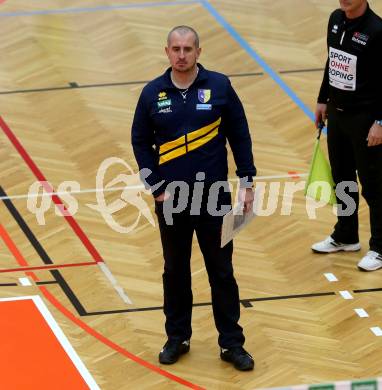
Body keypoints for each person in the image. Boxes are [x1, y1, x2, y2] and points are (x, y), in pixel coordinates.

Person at [131, 25, 256, 370]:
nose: (182, 55)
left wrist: (247, 182)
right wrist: (155, 187)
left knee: (222, 271)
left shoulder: (219, 86)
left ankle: (231, 344)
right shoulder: (152, 93)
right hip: (171, 203)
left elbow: (240, 134)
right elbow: (140, 142)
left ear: (198, 51)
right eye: (176, 49)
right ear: (167, 51)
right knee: (175, 271)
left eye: (188, 49)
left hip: (216, 199)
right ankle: (177, 338)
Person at [312, 0, 382, 271]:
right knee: (342, 177)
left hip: (365, 119)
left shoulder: (376, 30)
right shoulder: (335, 19)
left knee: (373, 185)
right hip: (337, 115)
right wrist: (322, 99)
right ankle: (346, 235)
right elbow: (333, 61)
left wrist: (379, 121)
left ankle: (379, 247)